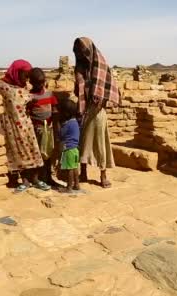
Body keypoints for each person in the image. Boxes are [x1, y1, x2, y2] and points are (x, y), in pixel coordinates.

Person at [0, 60, 50, 192]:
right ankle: (24, 181)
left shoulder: (24, 87)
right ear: (17, 72)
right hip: (12, 127)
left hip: (27, 125)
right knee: (18, 153)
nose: (26, 79)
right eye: (24, 75)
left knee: (33, 151)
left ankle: (35, 179)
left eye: (28, 76)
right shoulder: (1, 85)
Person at [73, 37, 120, 188]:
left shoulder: (101, 66)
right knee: (83, 141)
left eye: (82, 51)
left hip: (98, 110)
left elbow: (107, 88)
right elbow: (78, 90)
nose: (80, 54)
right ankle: (84, 172)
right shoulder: (80, 67)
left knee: (101, 142)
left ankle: (103, 174)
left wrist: (99, 100)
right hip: (85, 109)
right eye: (78, 52)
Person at [29, 67, 58, 185]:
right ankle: (40, 178)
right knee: (39, 154)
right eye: (38, 83)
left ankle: (48, 177)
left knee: (48, 154)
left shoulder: (49, 94)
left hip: (49, 128)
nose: (41, 85)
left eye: (42, 82)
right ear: (31, 82)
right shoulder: (30, 96)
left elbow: (54, 108)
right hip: (37, 130)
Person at [58, 99, 81, 192]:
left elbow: (61, 134)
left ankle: (69, 187)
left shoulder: (67, 124)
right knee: (74, 167)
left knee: (69, 169)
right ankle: (77, 184)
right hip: (75, 149)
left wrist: (59, 125)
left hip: (68, 149)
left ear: (66, 113)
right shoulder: (75, 122)